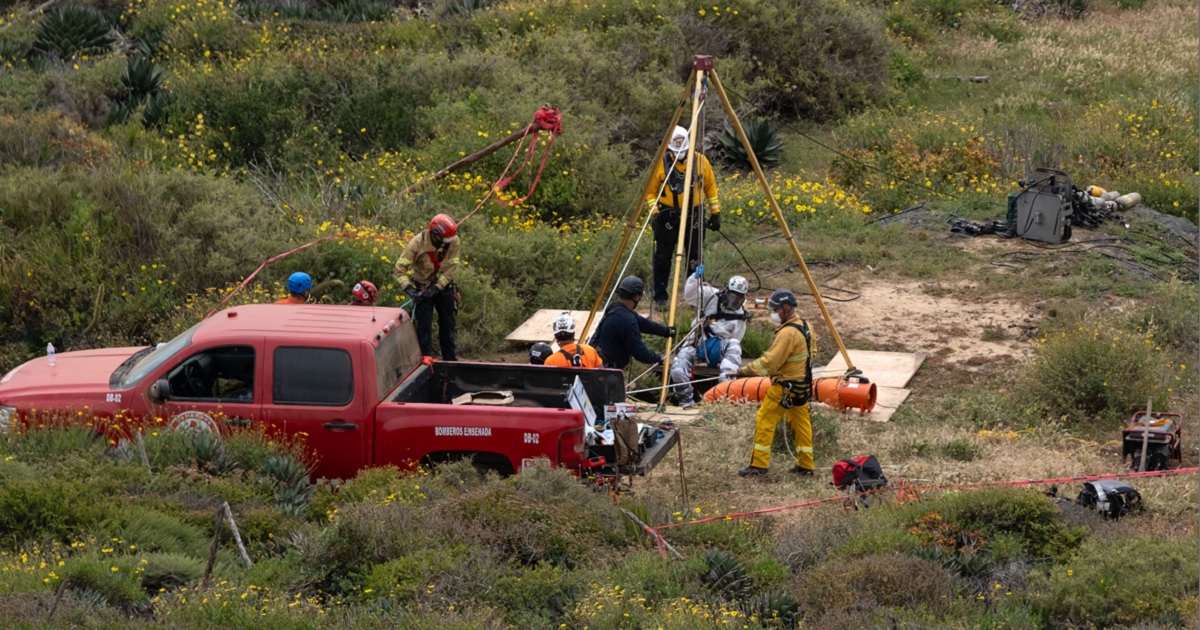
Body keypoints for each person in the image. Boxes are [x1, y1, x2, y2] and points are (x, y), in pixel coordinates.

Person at [733, 288, 816, 478]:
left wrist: (744, 371)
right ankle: (806, 464)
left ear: (786, 308)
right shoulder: (806, 326)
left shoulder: (787, 333)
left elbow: (769, 362)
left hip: (784, 389)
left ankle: (758, 465)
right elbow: (812, 354)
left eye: (776, 310)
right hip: (802, 388)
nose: (774, 313)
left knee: (765, 420)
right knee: (801, 424)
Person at [646, 125, 722, 308]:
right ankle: (660, 297)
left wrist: (715, 212)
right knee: (663, 257)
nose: (680, 153)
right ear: (670, 149)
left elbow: (710, 188)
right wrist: (656, 214)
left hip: (694, 214)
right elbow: (650, 193)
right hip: (667, 216)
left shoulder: (701, 162)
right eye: (675, 150)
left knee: (694, 257)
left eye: (683, 149)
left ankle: (694, 296)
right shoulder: (660, 165)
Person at [669, 264, 751, 408]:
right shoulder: (711, 296)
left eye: (738, 298)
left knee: (734, 346)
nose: (733, 301)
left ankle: (723, 395)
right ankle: (686, 401)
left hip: (719, 348)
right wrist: (695, 278)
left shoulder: (740, 317)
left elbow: (736, 338)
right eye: (732, 296)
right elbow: (690, 295)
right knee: (677, 369)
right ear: (726, 291)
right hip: (698, 343)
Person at [394, 214, 461, 362]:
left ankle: (450, 361)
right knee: (423, 328)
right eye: (445, 239)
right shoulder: (417, 243)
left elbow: (452, 267)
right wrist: (410, 290)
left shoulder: (453, 241)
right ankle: (425, 359)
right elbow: (399, 269)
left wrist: (437, 287)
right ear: (435, 234)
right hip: (422, 290)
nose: (447, 242)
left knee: (448, 327)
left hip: (444, 289)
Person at [591, 276, 675, 370]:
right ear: (636, 296)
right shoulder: (627, 320)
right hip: (605, 370)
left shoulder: (616, 308)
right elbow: (639, 353)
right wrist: (659, 359)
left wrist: (666, 331)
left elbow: (644, 324)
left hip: (596, 360)